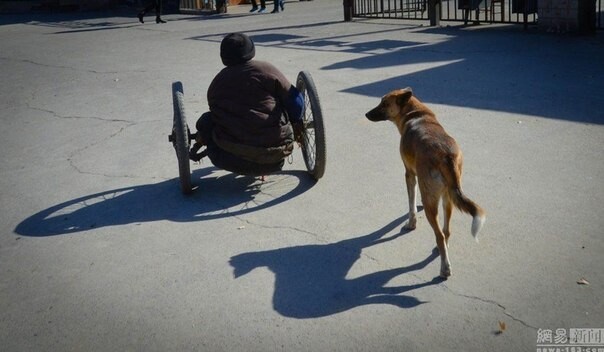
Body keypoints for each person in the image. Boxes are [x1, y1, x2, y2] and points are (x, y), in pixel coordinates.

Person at [191, 33, 305, 176]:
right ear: (251, 50)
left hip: (228, 159)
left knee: (206, 120)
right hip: (276, 155)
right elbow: (297, 104)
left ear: (223, 56)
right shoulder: (266, 69)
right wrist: (295, 123)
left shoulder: (216, 84)